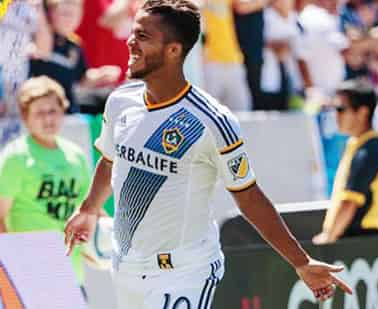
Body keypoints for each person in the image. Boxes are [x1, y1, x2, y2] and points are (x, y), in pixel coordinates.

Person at [64, 0, 352, 307]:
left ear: (174, 50)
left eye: (143, 36)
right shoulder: (120, 102)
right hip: (126, 267)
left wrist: (300, 261)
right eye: (133, 33)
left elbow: (248, 196)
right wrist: (89, 208)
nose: (130, 42)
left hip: (185, 272)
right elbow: (110, 160)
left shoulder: (213, 120)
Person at [0, 76, 91, 285]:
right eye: (39, 113)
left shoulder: (75, 155)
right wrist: (11, 270)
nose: (48, 119)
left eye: (53, 111)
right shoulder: (15, 157)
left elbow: (89, 210)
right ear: (25, 117)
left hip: (72, 275)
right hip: (30, 276)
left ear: (63, 111)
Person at [313, 79, 378, 245]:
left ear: (362, 112)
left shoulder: (368, 150)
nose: (335, 115)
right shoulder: (360, 145)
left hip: (360, 241)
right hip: (359, 241)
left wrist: (327, 238)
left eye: (341, 109)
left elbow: (350, 202)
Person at [30, 0, 121, 113]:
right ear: (50, 13)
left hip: (66, 110)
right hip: (41, 109)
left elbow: (81, 80)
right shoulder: (40, 39)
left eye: (74, 15)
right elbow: (42, 51)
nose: (69, 19)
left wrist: (100, 75)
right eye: (65, 14)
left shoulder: (75, 46)